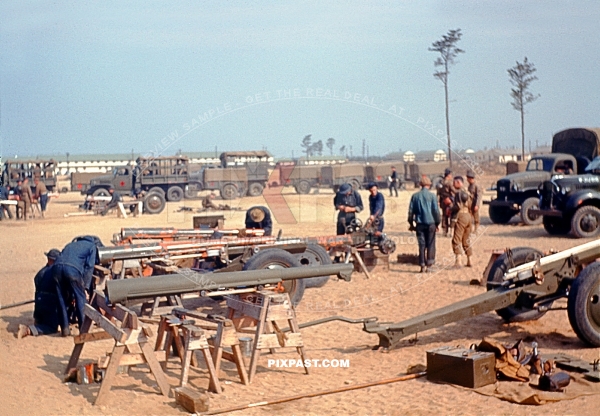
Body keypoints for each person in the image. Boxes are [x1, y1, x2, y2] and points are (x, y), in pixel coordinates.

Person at [52, 235, 103, 335]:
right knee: (80, 298)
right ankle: (83, 329)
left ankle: (65, 329)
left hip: (56, 269)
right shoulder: (91, 246)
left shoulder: (70, 244)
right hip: (72, 270)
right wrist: (86, 287)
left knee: (61, 298)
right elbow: (89, 267)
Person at [18, 249, 62, 338]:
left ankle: (38, 322)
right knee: (52, 328)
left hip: (39, 304)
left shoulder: (41, 272)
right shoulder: (55, 273)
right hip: (48, 304)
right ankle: (28, 330)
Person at [408, 176, 441, 273]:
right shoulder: (432, 196)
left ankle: (422, 265)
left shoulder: (415, 196)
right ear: (429, 185)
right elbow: (436, 211)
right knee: (431, 244)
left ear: (420, 185)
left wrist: (411, 224)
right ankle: (429, 265)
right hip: (431, 223)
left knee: (421, 245)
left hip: (419, 224)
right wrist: (437, 223)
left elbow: (410, 212)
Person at [451, 176, 473, 268]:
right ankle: (469, 259)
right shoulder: (467, 192)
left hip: (461, 216)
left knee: (456, 239)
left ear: (458, 182)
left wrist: (451, 208)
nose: (453, 184)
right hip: (468, 216)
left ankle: (458, 261)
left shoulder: (458, 194)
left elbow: (457, 207)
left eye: (455, 182)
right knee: (466, 239)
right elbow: (472, 205)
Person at [437, 168, 455, 237]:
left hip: (443, 201)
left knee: (444, 216)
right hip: (449, 201)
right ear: (448, 175)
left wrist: (438, 201)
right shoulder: (449, 183)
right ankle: (451, 231)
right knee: (451, 215)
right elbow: (454, 191)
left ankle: (445, 231)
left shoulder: (441, 182)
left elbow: (438, 193)